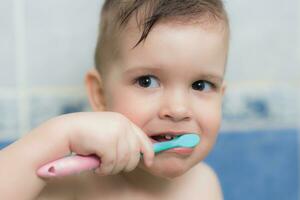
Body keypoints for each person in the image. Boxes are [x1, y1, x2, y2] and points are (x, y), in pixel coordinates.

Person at [0, 0, 229, 199]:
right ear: (100, 94)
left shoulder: (206, 185)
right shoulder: (76, 184)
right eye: (147, 81)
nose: (178, 110)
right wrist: (62, 133)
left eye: (201, 85)